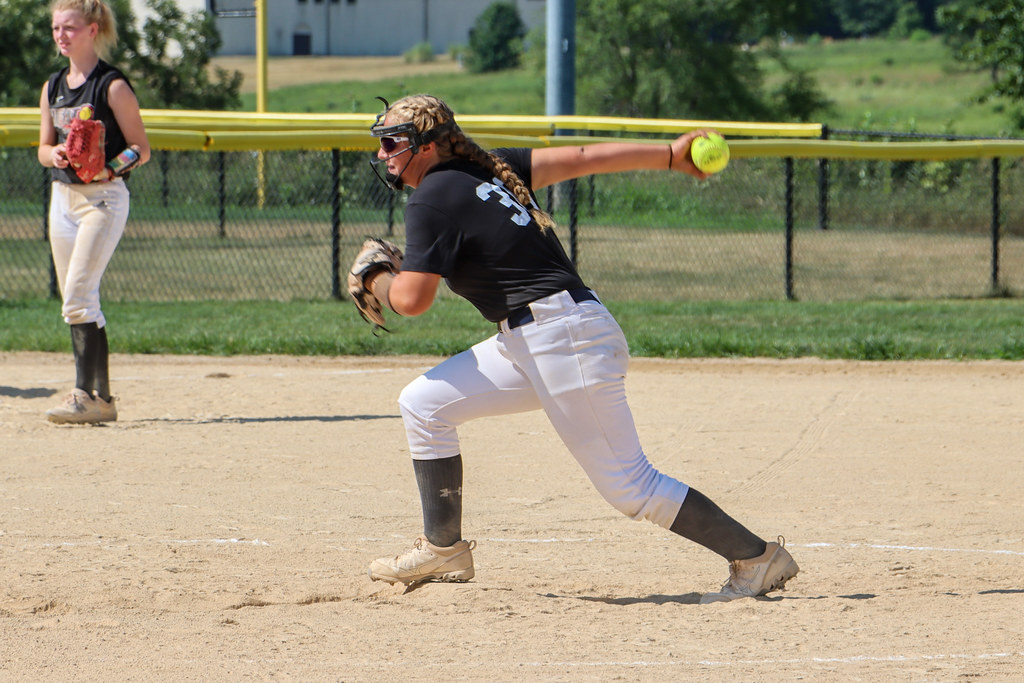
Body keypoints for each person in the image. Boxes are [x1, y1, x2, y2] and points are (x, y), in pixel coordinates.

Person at [363, 94, 798, 604]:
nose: (384, 154)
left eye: (393, 142)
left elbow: (411, 300)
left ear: (426, 146)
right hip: (542, 335)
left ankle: (756, 557)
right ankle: (445, 550)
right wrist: (669, 156)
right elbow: (585, 158)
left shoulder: (432, 196)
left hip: (560, 338)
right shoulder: (491, 167)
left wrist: (375, 279)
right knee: (424, 403)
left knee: (631, 487)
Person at [38, 0, 150, 424]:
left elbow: (141, 148)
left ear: (92, 29)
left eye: (68, 27)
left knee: (78, 297)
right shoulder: (52, 86)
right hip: (62, 199)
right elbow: (43, 147)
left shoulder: (111, 86)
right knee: (79, 301)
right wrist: (55, 154)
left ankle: (85, 396)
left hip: (103, 199)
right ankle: (100, 399)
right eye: (56, 28)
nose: (60, 35)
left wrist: (109, 167)